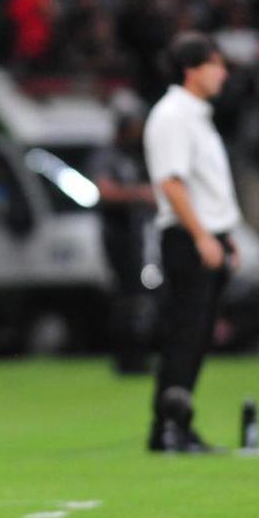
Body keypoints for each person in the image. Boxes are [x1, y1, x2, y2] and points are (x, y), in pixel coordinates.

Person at [143, 32, 240, 453]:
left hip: (205, 236)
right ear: (191, 70)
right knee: (185, 336)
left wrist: (224, 236)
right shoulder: (173, 116)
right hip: (187, 238)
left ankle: (172, 426)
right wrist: (202, 235)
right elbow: (171, 182)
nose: (223, 73)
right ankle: (170, 428)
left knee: (197, 336)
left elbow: (204, 187)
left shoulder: (196, 116)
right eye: (215, 64)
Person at [88, 114, 157, 374]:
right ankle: (124, 356)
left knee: (138, 295)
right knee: (125, 296)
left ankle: (138, 354)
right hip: (117, 233)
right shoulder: (108, 156)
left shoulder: (134, 156)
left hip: (137, 232)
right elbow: (104, 191)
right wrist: (140, 194)